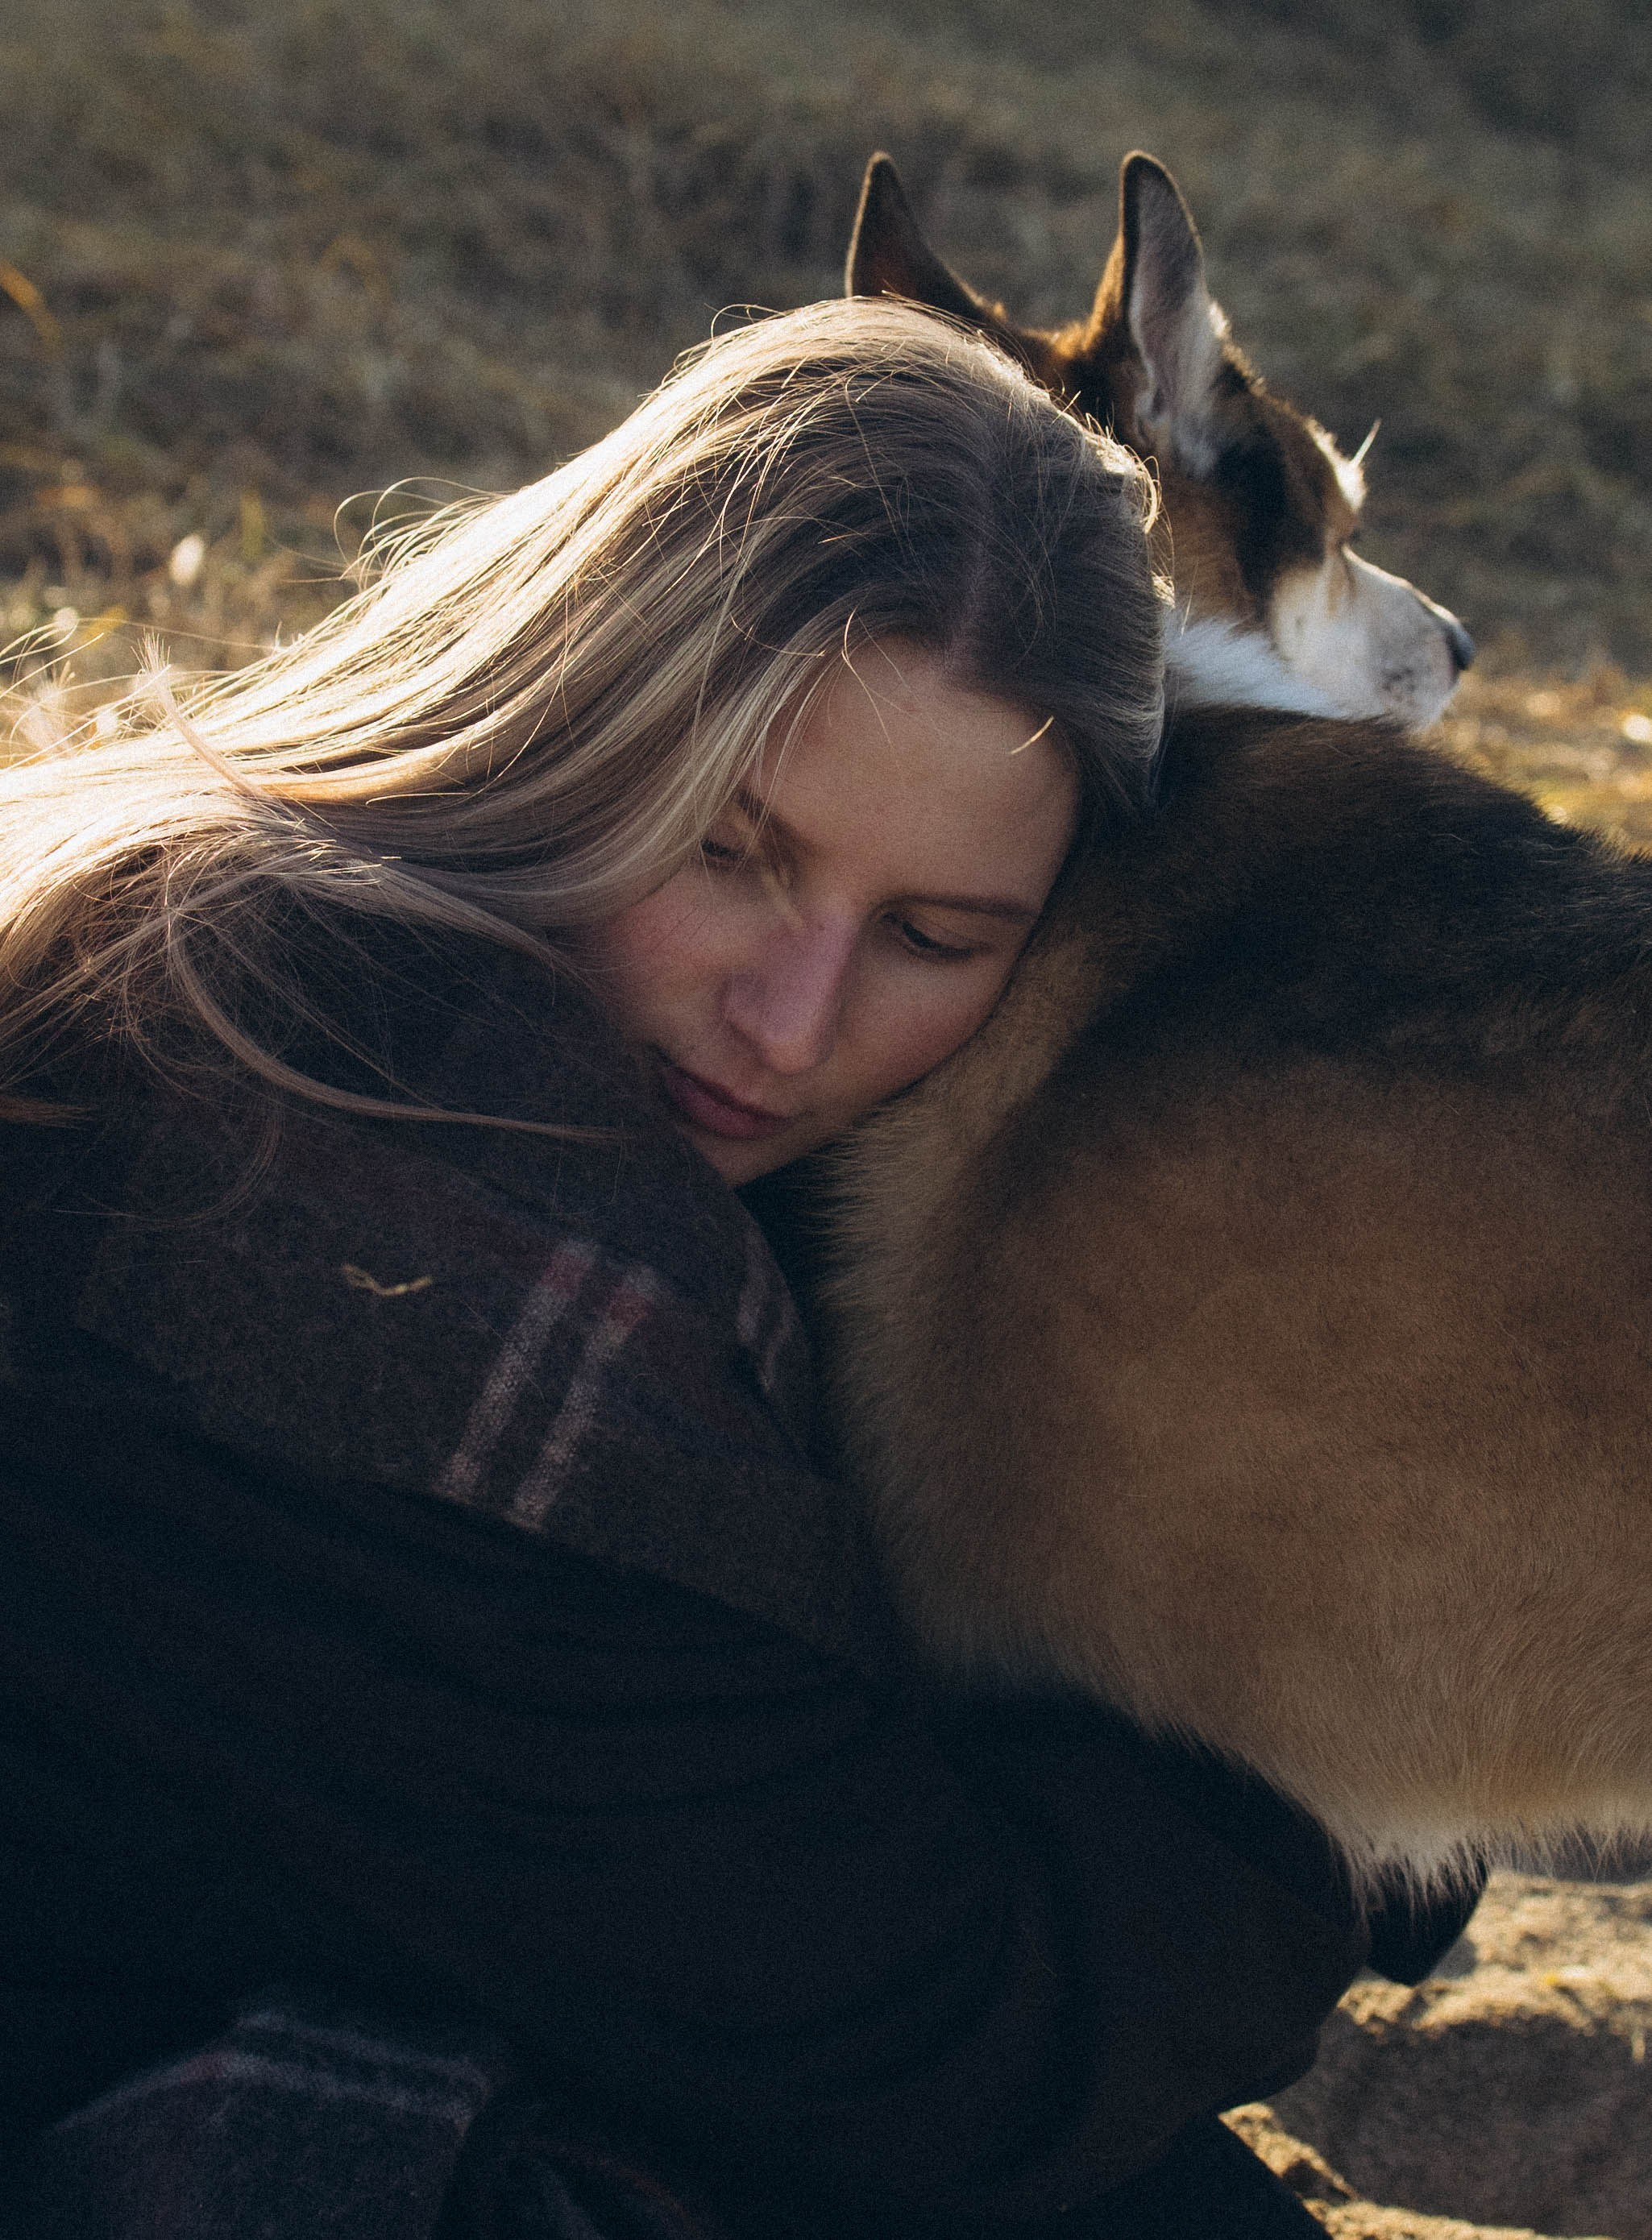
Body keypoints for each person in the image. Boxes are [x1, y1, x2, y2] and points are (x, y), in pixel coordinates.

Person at [0, 297, 1476, 2240]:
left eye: (933, 938)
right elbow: (951, 2040)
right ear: (559, 714)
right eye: (726, 850)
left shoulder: (434, 1039)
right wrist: (1347, 1714)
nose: (787, 1022)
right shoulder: (338, 1180)